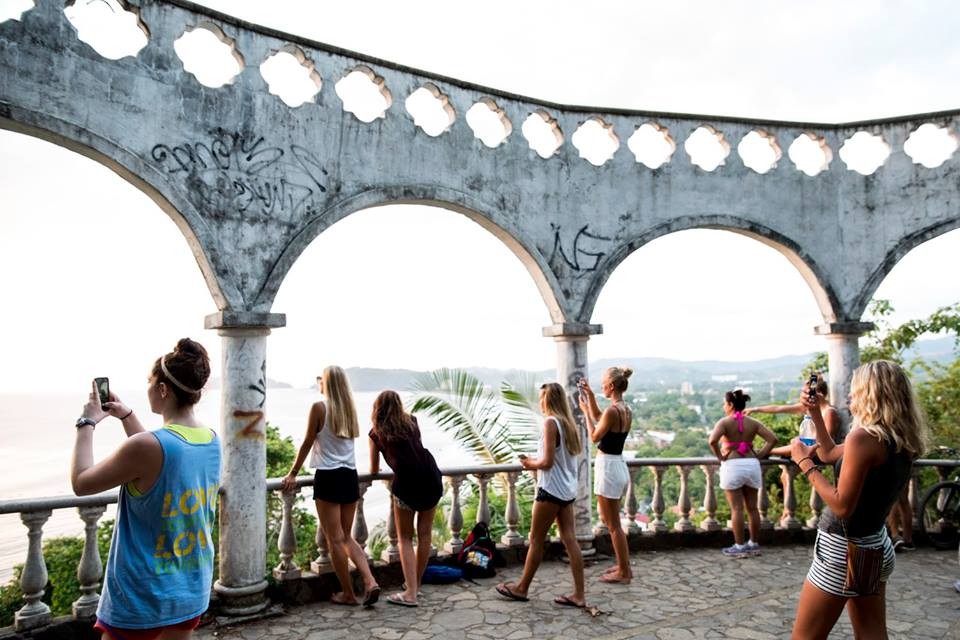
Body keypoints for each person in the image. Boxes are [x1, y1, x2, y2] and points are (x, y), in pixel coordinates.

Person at [71, 338, 220, 640]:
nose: (148, 388)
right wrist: (127, 415)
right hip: (189, 587)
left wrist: (87, 421)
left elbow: (81, 482)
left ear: (163, 389)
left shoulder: (148, 447)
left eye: (150, 382)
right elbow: (160, 459)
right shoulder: (211, 439)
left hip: (143, 596)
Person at [789, 360, 929, 639]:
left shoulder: (863, 438)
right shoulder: (897, 438)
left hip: (843, 551)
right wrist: (815, 413)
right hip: (875, 545)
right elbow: (829, 453)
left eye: (855, 391)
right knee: (871, 634)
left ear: (871, 394)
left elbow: (842, 506)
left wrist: (805, 464)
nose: (850, 397)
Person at [282, 366, 380, 607]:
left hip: (328, 476)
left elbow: (307, 441)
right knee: (347, 537)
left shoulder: (319, 407)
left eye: (320, 380)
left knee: (334, 540)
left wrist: (293, 473)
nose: (319, 383)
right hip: (349, 476)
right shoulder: (350, 410)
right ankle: (370, 581)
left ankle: (348, 593)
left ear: (326, 383)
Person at [496, 382, 586, 608]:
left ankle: (522, 588)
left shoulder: (550, 423)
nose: (539, 402)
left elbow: (546, 462)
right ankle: (579, 594)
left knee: (536, 540)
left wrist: (528, 463)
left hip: (550, 490)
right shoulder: (569, 425)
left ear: (549, 400)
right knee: (571, 541)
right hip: (566, 491)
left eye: (542, 398)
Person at [368, 390, 443, 607]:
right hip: (430, 476)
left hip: (407, 484)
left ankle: (410, 593)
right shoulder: (412, 422)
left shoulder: (376, 433)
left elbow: (373, 469)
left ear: (377, 409)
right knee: (425, 535)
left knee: (405, 539)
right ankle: (415, 585)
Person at [746, 375, 841, 524]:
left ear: (819, 394)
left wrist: (771, 450)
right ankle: (786, 510)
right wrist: (755, 409)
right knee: (785, 475)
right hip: (805, 448)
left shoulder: (829, 412)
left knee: (792, 448)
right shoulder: (808, 408)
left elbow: (824, 445)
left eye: (806, 393)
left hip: (818, 453)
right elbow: (779, 408)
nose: (803, 397)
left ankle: (768, 451)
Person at [577, 367, 634, 583]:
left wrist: (584, 412)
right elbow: (601, 418)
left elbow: (594, 435)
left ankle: (624, 572)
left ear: (611, 386)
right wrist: (590, 396)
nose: (602, 387)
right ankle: (622, 565)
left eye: (603, 384)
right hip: (617, 464)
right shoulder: (624, 409)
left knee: (613, 525)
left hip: (609, 467)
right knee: (611, 521)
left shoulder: (613, 411)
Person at [708, 389, 778, 558]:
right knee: (753, 508)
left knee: (737, 508)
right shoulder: (753, 422)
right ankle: (753, 544)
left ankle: (739, 546)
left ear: (731, 405)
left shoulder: (724, 422)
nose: (724, 406)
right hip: (751, 464)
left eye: (725, 403)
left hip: (732, 465)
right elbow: (773, 439)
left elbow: (712, 441)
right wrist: (759, 455)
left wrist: (720, 456)